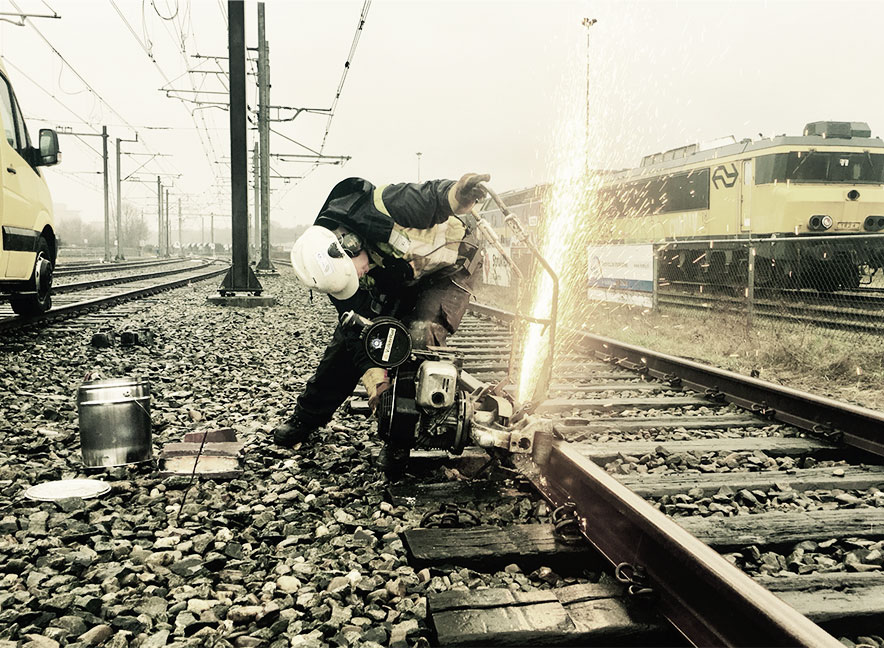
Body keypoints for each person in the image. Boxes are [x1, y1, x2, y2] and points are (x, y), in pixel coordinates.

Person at [277, 173, 490, 477]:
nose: (360, 278)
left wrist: (458, 193)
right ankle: (306, 418)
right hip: (403, 275)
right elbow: (359, 335)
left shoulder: (384, 205)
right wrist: (378, 381)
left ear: (349, 244)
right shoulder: (337, 278)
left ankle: (399, 442)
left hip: (450, 268)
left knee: (419, 337)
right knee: (357, 338)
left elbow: (431, 197)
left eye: (357, 272)